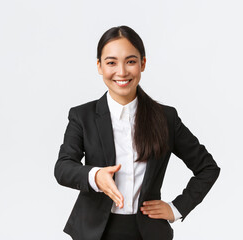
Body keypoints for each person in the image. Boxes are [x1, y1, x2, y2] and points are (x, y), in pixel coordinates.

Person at [54, 25, 220, 240]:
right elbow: (63, 167)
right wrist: (95, 176)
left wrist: (177, 208)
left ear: (142, 64)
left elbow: (207, 168)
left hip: (148, 232)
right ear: (99, 66)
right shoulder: (82, 116)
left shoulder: (165, 118)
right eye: (111, 62)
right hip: (95, 232)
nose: (121, 72)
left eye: (130, 61)